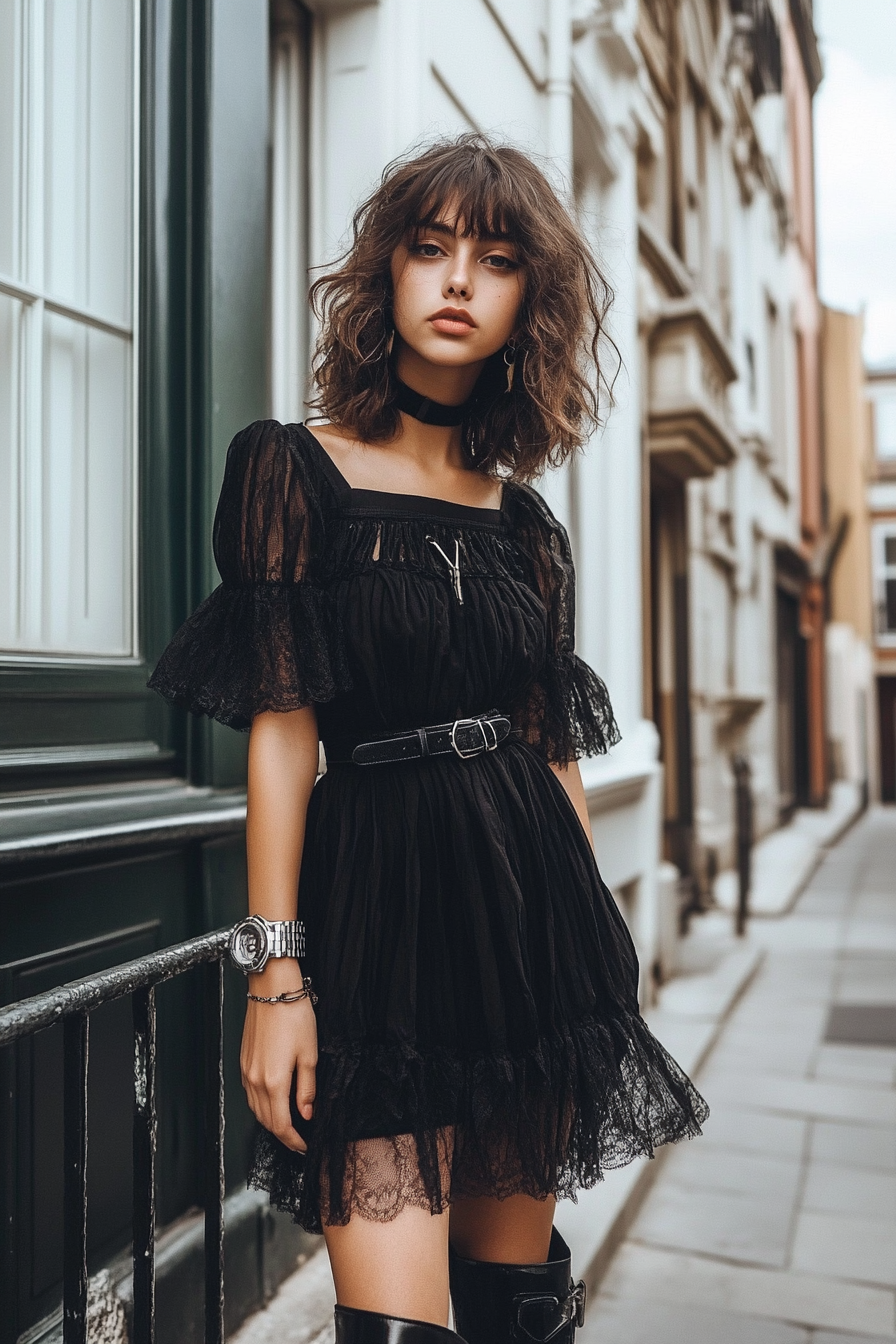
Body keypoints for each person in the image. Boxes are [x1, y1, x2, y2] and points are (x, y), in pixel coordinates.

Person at [148, 134, 708, 1344]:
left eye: (496, 260)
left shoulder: (526, 527)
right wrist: (275, 976)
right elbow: (284, 741)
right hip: (372, 924)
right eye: (430, 247)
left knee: (516, 1307)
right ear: (385, 276)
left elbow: (546, 743)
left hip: (527, 927)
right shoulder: (290, 472)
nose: (458, 280)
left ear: (527, 307)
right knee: (399, 1319)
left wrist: (593, 955)